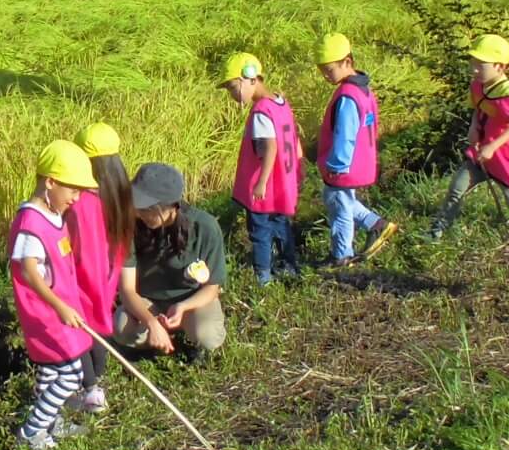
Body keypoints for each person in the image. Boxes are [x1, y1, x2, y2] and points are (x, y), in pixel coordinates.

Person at [11, 140, 97, 450]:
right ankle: (32, 430)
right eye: (72, 190)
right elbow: (29, 272)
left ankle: (52, 422)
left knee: (50, 371)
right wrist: (59, 306)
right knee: (71, 374)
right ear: (50, 182)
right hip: (45, 313)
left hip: (59, 309)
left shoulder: (53, 215)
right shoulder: (30, 223)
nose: (76, 198)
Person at [428, 34, 509, 246]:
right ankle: (436, 232)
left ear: (500, 67)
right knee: (457, 188)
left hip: (506, 156)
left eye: (481, 65)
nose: (474, 69)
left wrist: (493, 146)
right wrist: (473, 128)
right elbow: (478, 109)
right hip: (481, 153)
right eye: (473, 63)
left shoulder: (508, 93)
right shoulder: (478, 85)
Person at [115, 163, 227, 356]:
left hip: (190, 301)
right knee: (121, 328)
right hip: (148, 302)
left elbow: (212, 288)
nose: (139, 213)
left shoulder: (205, 227)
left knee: (207, 335)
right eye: (136, 206)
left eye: (147, 208)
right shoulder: (130, 227)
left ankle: (186, 334)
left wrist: (182, 307)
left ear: (170, 206)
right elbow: (127, 290)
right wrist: (151, 322)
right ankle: (157, 338)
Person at [65, 122, 132, 412]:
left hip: (83, 274)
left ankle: (90, 390)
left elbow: (76, 244)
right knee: (99, 321)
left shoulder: (81, 201)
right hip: (107, 274)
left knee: (79, 329)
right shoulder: (120, 192)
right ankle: (96, 382)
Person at [315, 33, 398, 265]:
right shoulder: (363, 90)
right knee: (338, 199)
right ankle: (377, 225)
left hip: (344, 164)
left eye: (329, 70)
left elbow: (345, 134)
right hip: (361, 160)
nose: (326, 75)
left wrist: (336, 165)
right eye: (322, 70)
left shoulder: (347, 96)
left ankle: (342, 257)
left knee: (339, 209)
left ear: (347, 62)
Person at [220, 52, 301, 285]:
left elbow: (270, 146)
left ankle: (263, 278)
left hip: (265, 188)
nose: (232, 94)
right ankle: (290, 266)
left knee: (260, 232)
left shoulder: (261, 112)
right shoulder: (280, 103)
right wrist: (299, 165)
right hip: (283, 183)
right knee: (281, 225)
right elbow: (293, 138)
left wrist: (261, 182)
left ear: (251, 78)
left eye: (233, 87)